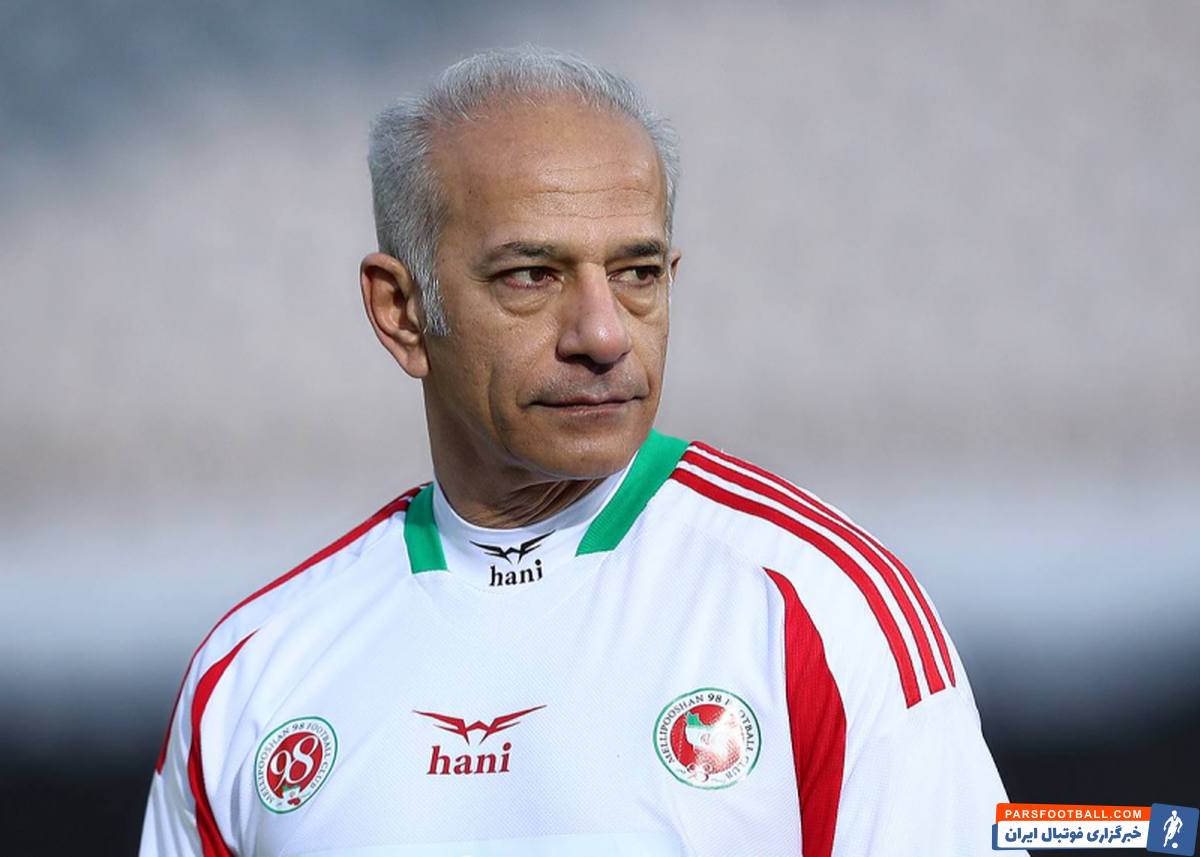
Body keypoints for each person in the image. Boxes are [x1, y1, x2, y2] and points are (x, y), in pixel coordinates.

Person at [140, 46, 1017, 857]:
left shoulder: (820, 612)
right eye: (531, 275)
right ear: (401, 312)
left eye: (637, 273)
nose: (603, 334)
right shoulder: (253, 673)